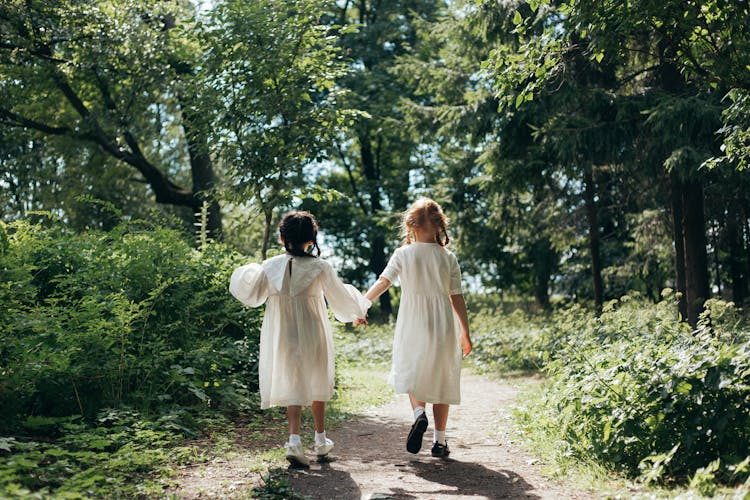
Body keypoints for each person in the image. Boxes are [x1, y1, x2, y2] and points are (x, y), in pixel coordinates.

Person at [229, 210, 370, 467]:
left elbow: (252, 293)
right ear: (311, 239)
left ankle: (294, 441)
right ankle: (320, 440)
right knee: (317, 378)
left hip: (282, 331)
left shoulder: (269, 267)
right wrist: (357, 312)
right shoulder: (320, 267)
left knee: (293, 380)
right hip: (313, 330)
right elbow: (339, 297)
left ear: (282, 238)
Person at [357, 198, 472, 458]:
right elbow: (457, 297)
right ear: (439, 226)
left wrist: (362, 305)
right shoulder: (448, 258)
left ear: (410, 225)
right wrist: (465, 332)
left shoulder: (403, 254)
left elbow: (383, 281)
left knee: (412, 371)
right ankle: (440, 442)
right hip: (442, 323)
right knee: (441, 377)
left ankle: (419, 414)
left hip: (412, 321)